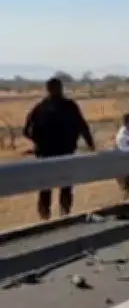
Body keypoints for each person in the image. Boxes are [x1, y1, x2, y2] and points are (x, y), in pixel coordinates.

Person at [23, 77, 95, 220]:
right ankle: (65, 215)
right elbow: (83, 127)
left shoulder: (40, 107)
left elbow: (26, 131)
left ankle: (45, 219)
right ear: (61, 88)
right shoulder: (69, 106)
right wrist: (90, 145)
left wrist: (39, 141)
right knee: (65, 185)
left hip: (45, 155)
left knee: (45, 187)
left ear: (47, 89)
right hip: (65, 152)